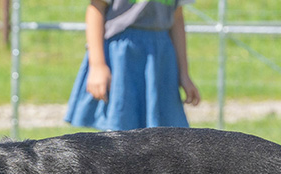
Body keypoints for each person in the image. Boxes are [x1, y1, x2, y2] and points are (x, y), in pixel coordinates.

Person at [65, 0, 201, 131]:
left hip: (161, 60)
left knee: (162, 135)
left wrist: (184, 73)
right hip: (122, 58)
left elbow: (177, 18)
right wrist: (97, 66)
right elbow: (96, 9)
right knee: (120, 133)